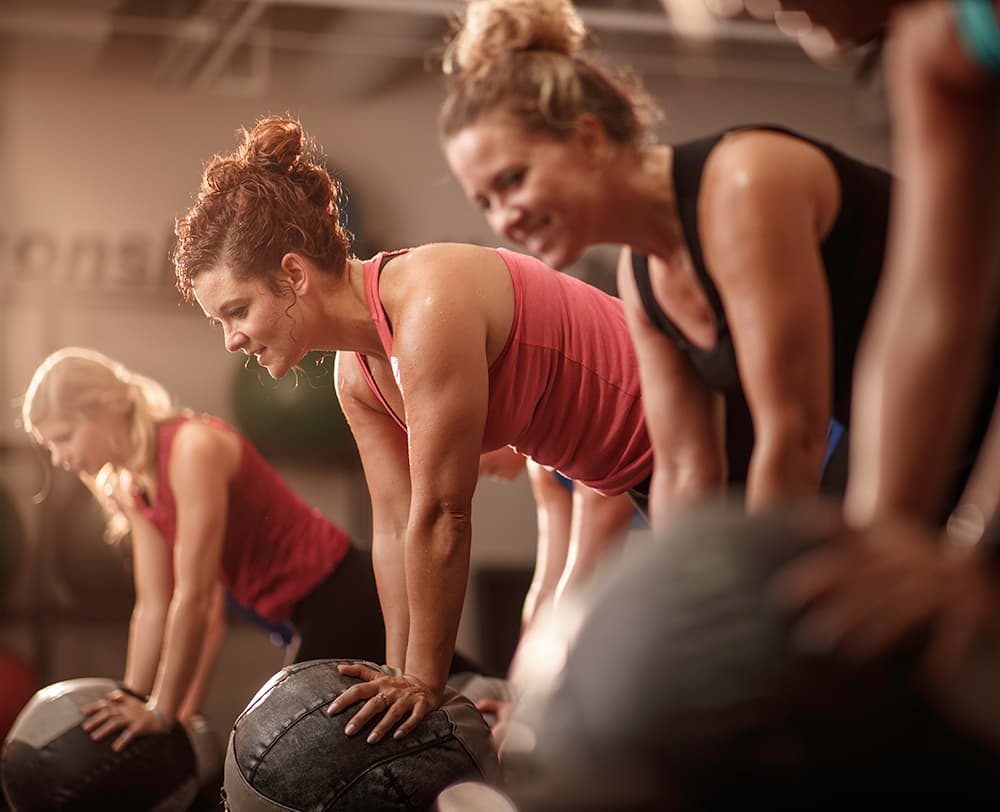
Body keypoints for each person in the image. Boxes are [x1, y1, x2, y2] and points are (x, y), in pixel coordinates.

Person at [170, 116, 653, 743]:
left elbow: (443, 513)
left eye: (237, 311)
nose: (233, 339)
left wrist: (425, 683)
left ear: (293, 276)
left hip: (708, 429)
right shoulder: (355, 375)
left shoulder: (426, 301)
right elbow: (395, 528)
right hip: (641, 477)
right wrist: (395, 674)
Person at [438, 0, 912, 532]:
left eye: (512, 180)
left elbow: (793, 435)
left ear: (589, 139)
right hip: (906, 426)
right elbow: (686, 472)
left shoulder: (743, 186)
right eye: (485, 202)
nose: (505, 218)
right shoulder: (643, 281)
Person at [741, 0, 1000, 675]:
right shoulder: (932, 47)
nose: (736, 6)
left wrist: (976, 549)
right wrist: (875, 560)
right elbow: (928, 306)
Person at [21, 347, 414, 752]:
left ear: (104, 406)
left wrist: (162, 712)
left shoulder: (192, 448)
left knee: (294, 746)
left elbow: (196, 596)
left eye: (63, 438)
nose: (60, 458)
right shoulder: (129, 485)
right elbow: (154, 605)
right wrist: (134, 698)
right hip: (304, 611)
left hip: (343, 590)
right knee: (447, 687)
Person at [479, 446, 639, 634]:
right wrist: (524, 655)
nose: (476, 474)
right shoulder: (542, 468)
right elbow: (547, 583)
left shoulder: (595, 452)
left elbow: (583, 581)